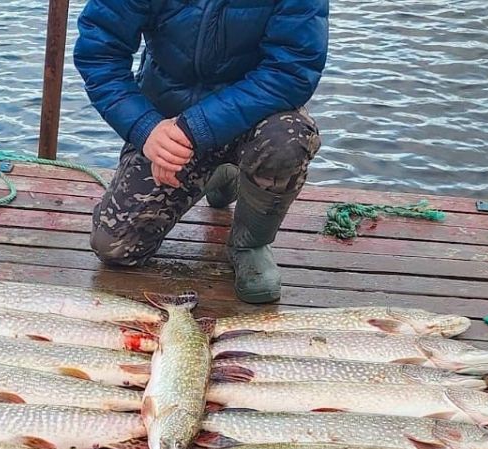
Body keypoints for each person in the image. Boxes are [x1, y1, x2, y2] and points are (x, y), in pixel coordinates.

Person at [74, 0, 329, 304]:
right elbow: (99, 52)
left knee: (289, 137)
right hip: (167, 119)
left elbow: (292, 71)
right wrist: (146, 129)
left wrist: (194, 129)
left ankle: (250, 244)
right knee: (114, 247)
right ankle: (222, 175)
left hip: (254, 119)